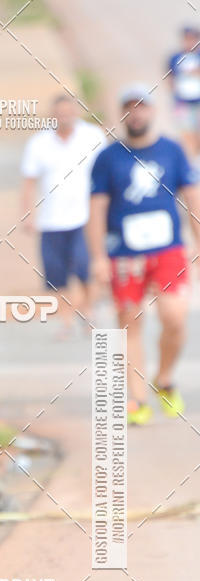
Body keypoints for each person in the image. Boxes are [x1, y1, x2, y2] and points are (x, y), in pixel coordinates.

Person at [88, 83, 200, 425]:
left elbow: (192, 197)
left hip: (168, 250)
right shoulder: (108, 158)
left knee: (175, 317)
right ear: (122, 113)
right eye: (129, 107)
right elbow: (95, 209)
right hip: (124, 254)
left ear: (152, 111)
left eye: (141, 106)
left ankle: (164, 378)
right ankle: (137, 398)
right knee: (129, 324)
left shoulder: (172, 151)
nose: (135, 113)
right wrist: (97, 257)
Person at [20, 94, 106, 335]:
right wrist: (28, 213)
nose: (64, 117)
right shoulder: (39, 143)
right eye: (59, 113)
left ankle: (88, 311)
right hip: (51, 220)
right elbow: (28, 181)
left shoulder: (93, 137)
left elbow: (107, 174)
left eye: (68, 112)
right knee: (56, 275)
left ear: (77, 113)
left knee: (85, 267)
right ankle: (66, 319)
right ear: (52, 115)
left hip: (85, 217)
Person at [167, 25, 200, 163]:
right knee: (185, 131)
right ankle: (190, 160)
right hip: (182, 102)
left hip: (197, 100)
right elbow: (170, 77)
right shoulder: (176, 57)